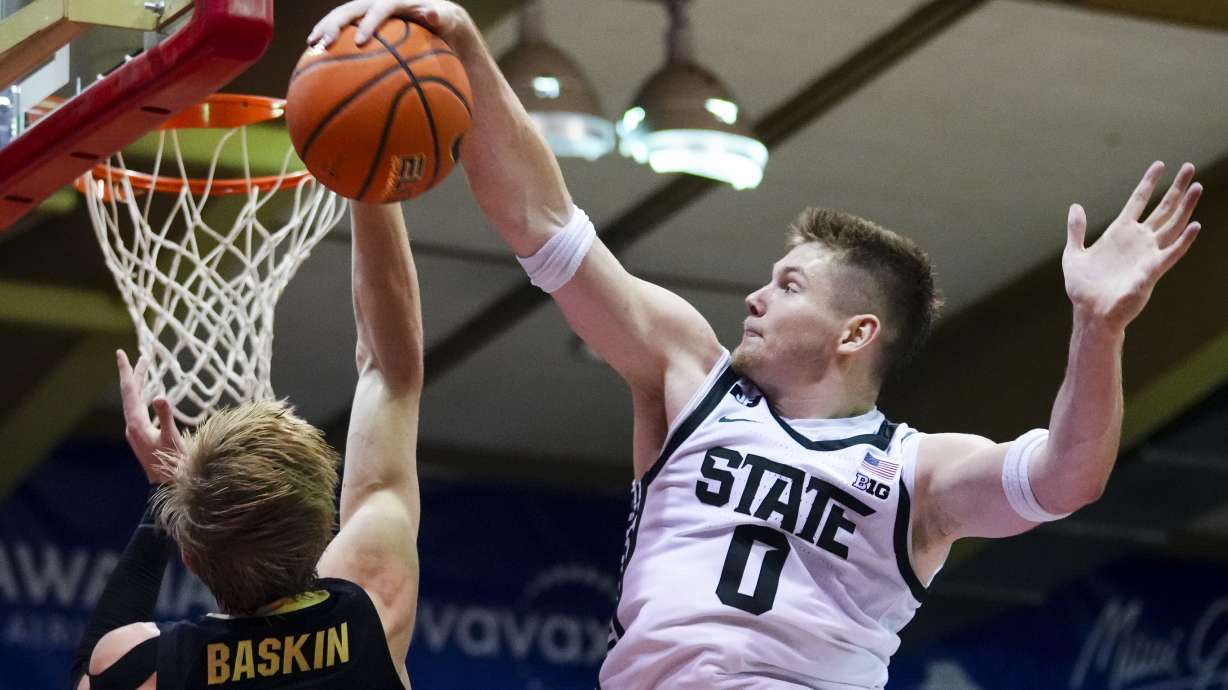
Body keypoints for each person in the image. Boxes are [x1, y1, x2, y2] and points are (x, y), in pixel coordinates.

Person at [312, 4, 1207, 688]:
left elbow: (1066, 478)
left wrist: (1099, 329)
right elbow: (546, 226)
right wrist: (468, 50)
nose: (753, 294)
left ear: (857, 333)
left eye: (788, 285)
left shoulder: (916, 473)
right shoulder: (687, 374)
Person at [69, 201, 424, 690]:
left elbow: (90, 674)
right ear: (324, 533)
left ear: (190, 560)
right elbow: (391, 374)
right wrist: (370, 183)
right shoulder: (377, 603)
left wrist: (167, 494)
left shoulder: (152, 666)